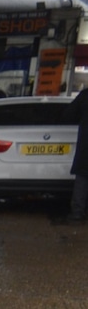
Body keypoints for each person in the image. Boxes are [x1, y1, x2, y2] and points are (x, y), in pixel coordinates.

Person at [68, 85, 88, 223]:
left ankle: (78, 213)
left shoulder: (85, 96)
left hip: (86, 144)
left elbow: (69, 114)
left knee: (83, 176)